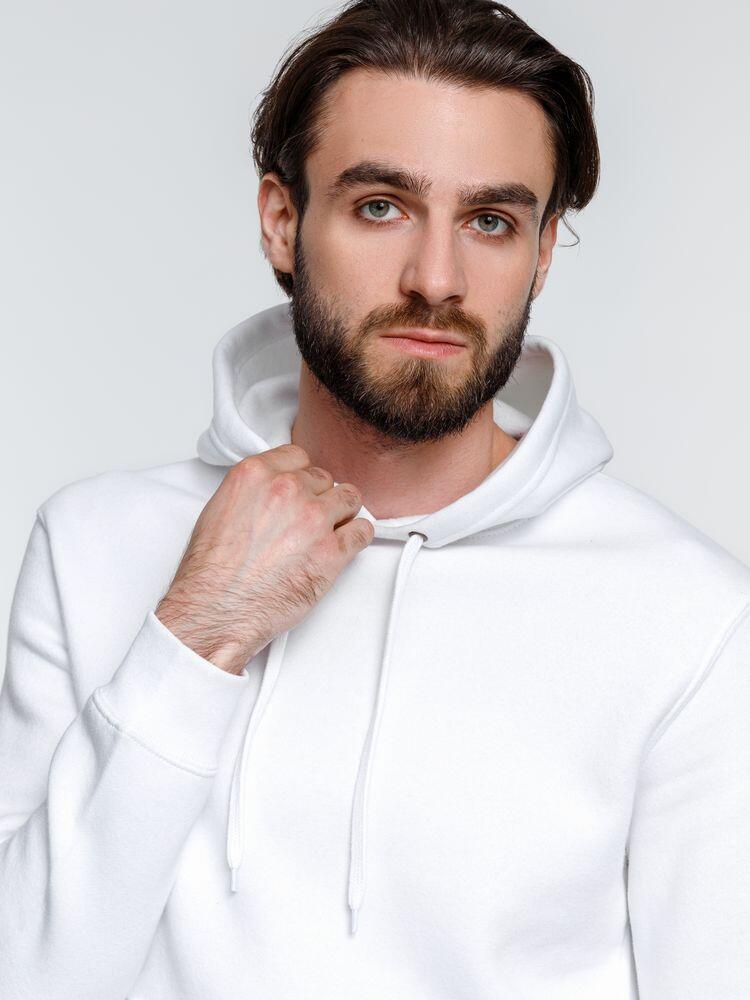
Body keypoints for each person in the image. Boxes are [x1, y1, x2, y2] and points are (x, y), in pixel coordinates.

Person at [1, 0, 748, 997]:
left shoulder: (690, 614)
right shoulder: (94, 544)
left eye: (491, 221)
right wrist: (196, 635)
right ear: (283, 222)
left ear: (540, 253)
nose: (435, 279)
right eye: (381, 206)